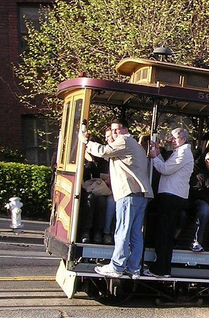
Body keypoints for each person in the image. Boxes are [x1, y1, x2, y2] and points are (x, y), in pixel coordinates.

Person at [81, 119, 153, 279]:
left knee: (122, 230)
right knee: (135, 233)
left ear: (124, 129)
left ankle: (117, 266)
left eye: (116, 130)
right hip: (140, 195)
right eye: (112, 131)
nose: (113, 134)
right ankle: (134, 267)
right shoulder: (135, 144)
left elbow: (103, 151)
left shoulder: (124, 140)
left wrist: (86, 141)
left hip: (128, 193)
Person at [145, 127, 194, 277]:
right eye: (171, 138)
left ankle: (160, 269)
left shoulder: (184, 152)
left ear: (184, 139)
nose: (172, 140)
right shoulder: (180, 152)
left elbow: (165, 170)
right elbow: (168, 168)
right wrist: (158, 156)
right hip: (172, 195)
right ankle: (164, 268)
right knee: (165, 232)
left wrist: (154, 157)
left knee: (164, 232)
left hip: (172, 196)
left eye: (176, 138)